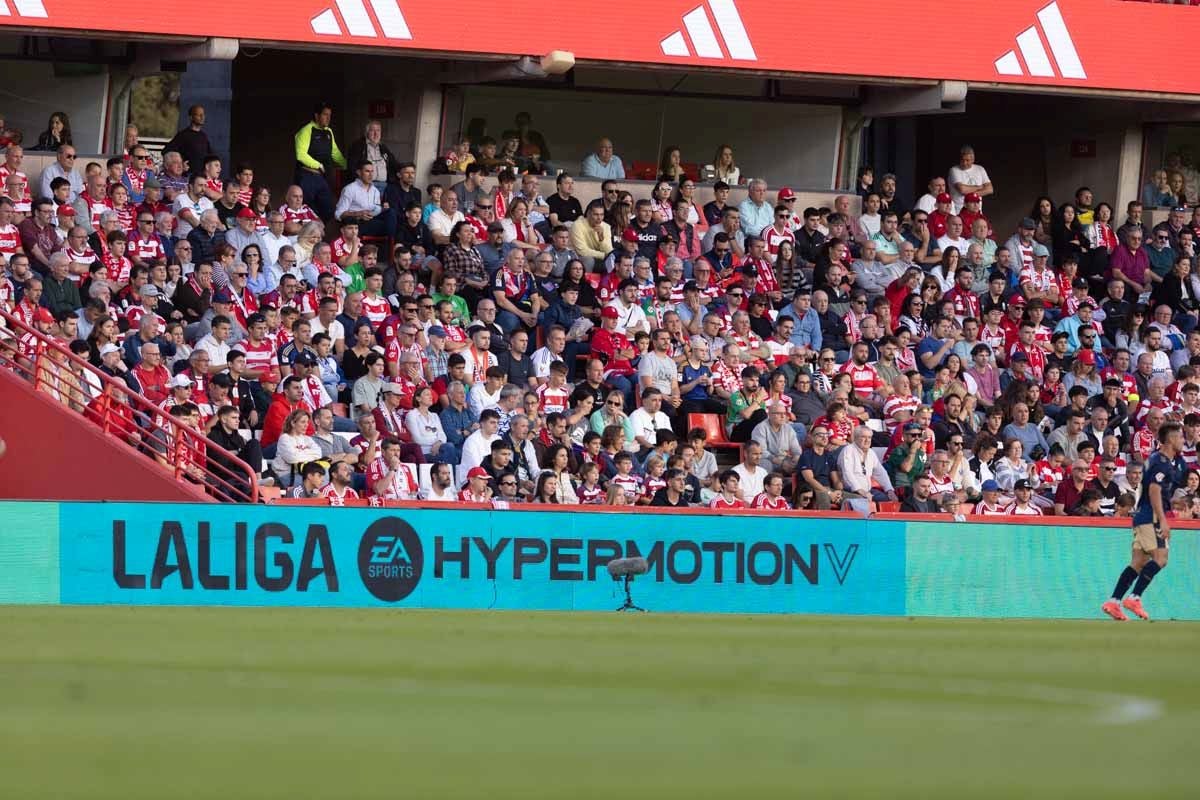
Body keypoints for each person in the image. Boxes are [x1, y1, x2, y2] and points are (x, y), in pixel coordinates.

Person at [1102, 422, 1185, 622]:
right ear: (1171, 439)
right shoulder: (1163, 463)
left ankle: (1114, 601)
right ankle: (1135, 597)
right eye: (1180, 437)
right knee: (1161, 558)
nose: (1183, 441)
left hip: (1141, 516)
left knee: (1138, 563)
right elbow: (1154, 490)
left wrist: (1171, 501)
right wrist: (1163, 519)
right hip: (1152, 517)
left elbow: (1155, 489)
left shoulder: (1154, 458)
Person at [293, 102, 346, 220]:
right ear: (317, 116)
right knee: (307, 212)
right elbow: (300, 155)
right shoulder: (306, 130)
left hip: (323, 178)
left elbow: (335, 153)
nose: (328, 118)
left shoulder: (329, 132)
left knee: (329, 211)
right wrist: (318, 165)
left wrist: (347, 165)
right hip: (307, 177)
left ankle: (317, 234)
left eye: (330, 115)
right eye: (325, 115)